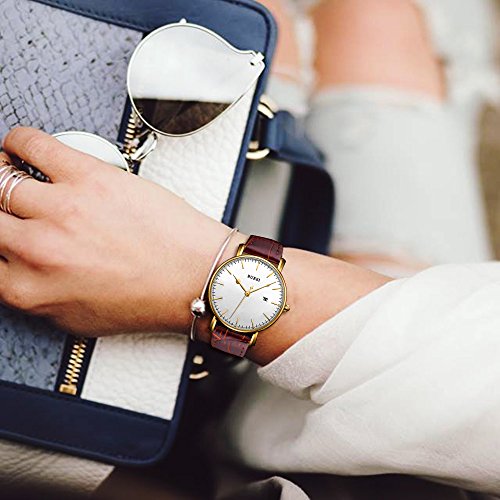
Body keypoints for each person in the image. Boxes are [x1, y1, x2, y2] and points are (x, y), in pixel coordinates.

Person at [0, 0, 499, 498]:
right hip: (437, 366)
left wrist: (199, 275)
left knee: (262, 28)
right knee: (376, 20)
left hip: (234, 457)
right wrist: (208, 271)